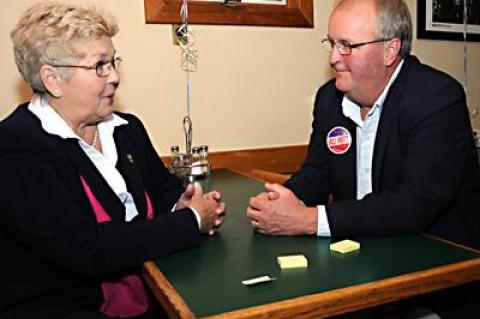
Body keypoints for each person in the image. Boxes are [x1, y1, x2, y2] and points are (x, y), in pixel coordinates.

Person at [247, 0, 480, 317]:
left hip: (436, 286)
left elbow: (413, 204)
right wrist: (283, 201)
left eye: (347, 46)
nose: (333, 58)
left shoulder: (436, 97)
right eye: (332, 44)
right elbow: (318, 171)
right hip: (359, 265)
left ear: (390, 50)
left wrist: (307, 219)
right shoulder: (329, 98)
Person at [0, 2, 226, 319]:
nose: (115, 76)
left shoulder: (127, 128)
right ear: (52, 78)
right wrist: (190, 221)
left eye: (114, 61)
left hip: (151, 292)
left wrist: (183, 203)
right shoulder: (14, 148)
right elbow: (86, 250)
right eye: (100, 66)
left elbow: (162, 189)